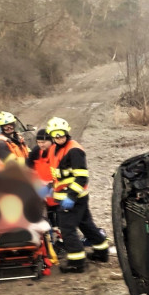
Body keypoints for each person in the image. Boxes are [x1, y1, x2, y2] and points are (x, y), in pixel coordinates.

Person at [45, 117, 108, 273]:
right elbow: (59, 175)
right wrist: (49, 187)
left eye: (61, 135)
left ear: (67, 133)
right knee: (86, 224)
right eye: (55, 135)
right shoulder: (53, 149)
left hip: (74, 198)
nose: (59, 138)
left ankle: (77, 262)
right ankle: (101, 252)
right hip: (67, 196)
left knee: (67, 229)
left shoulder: (74, 150)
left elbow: (81, 177)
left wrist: (71, 196)